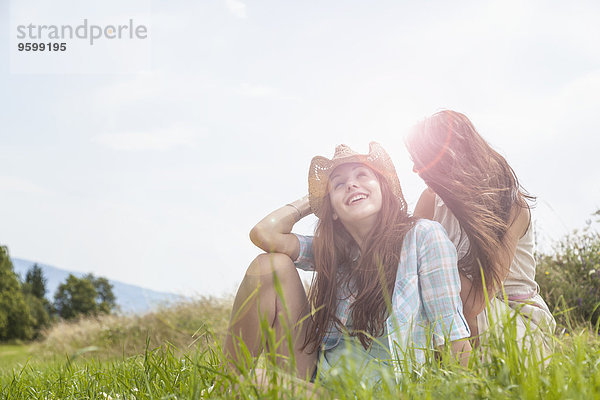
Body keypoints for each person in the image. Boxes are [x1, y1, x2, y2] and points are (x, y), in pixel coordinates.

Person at [224, 142, 471, 385]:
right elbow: (264, 234)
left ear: (383, 189)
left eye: (362, 175)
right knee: (271, 266)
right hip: (317, 381)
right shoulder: (334, 251)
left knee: (253, 382)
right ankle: (226, 386)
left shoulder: (424, 236)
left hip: (381, 390)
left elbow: (452, 334)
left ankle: (231, 387)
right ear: (331, 209)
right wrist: (315, 199)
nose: (352, 184)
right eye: (339, 184)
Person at [405, 110, 555, 352]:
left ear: (449, 157)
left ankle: (467, 378)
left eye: (421, 158)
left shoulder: (512, 207)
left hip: (515, 321)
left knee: (447, 302)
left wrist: (431, 255)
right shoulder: (430, 201)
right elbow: (406, 266)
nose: (414, 168)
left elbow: (474, 304)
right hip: (455, 309)